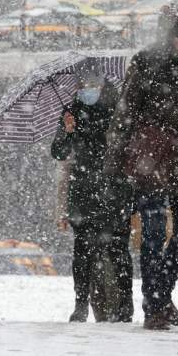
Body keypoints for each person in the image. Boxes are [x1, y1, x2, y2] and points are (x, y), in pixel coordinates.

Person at [104, 11, 178, 330]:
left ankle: (161, 295)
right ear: (171, 38)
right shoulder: (147, 61)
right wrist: (114, 161)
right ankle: (154, 304)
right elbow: (125, 111)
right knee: (154, 232)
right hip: (151, 156)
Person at [51, 72, 132, 323]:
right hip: (84, 189)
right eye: (83, 86)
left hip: (114, 187)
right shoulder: (72, 111)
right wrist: (67, 131)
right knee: (82, 250)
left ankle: (125, 304)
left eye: (92, 85)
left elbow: (126, 145)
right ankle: (81, 303)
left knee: (118, 249)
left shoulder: (119, 109)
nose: (88, 90)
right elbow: (58, 151)